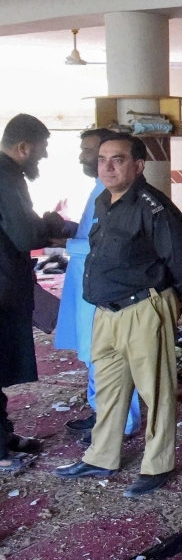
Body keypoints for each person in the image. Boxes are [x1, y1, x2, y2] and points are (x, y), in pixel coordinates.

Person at [55, 134, 182, 497]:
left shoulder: (153, 206)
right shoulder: (105, 201)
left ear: (138, 166)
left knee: (156, 390)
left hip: (143, 309)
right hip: (105, 313)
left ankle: (158, 464)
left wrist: (171, 301)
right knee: (108, 391)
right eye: (103, 159)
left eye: (117, 160)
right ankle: (102, 456)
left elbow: (181, 262)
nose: (107, 166)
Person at [54, 128, 142, 445]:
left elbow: (105, 246)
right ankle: (101, 413)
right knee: (96, 355)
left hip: (106, 287)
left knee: (110, 357)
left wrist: (59, 241)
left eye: (89, 150)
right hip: (89, 284)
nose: (84, 156)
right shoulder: (98, 190)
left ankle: (121, 424)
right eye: (92, 153)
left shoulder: (120, 195)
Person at [0, 115, 66, 474]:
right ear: (23, 147)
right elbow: (25, 235)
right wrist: (49, 229)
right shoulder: (7, 175)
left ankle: (4, 436)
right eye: (39, 154)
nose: (40, 160)